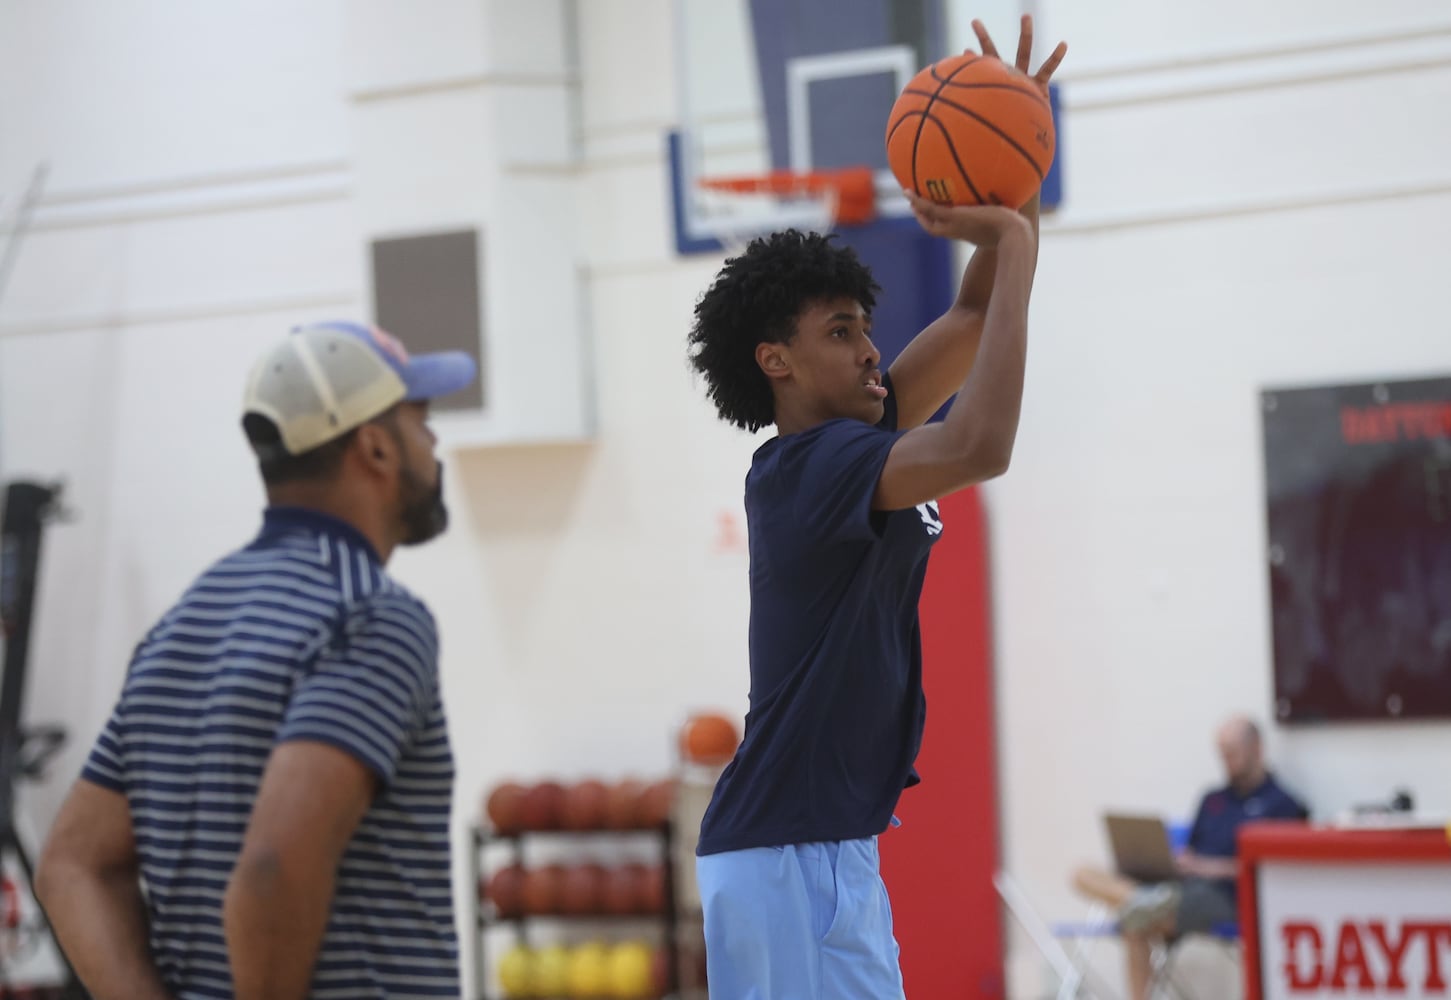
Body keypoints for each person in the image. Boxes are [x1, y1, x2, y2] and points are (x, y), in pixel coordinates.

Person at [686, 17, 1066, 999]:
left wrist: (1009, 162)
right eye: (842, 330)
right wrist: (1014, 241)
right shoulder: (805, 471)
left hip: (819, 850)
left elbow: (976, 317)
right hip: (786, 855)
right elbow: (981, 443)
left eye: (866, 328)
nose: (869, 350)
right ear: (774, 359)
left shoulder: (859, 439)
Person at [34, 321, 476, 1000]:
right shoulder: (370, 615)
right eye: (421, 420)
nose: (435, 443)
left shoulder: (181, 623)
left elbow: (71, 865)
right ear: (376, 447)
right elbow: (273, 867)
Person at [1073, 715, 1309, 1000]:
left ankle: (1145, 900)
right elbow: (1193, 850)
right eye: (1222, 754)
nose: (1226, 760)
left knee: (1135, 921)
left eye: (1233, 752)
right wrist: (1178, 861)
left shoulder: (1282, 804)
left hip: (1226, 896)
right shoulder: (1212, 799)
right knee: (1085, 874)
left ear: (1257, 748)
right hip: (1183, 886)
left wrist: (1211, 868)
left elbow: (1275, 871)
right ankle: (1143, 897)